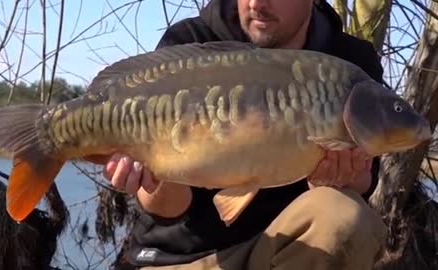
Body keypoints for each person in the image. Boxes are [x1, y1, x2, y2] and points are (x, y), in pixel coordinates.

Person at [102, 0, 387, 269]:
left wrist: (344, 180)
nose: (257, 4)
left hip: (290, 251)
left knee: (342, 215)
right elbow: (167, 209)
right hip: (184, 259)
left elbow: (364, 182)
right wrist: (152, 173)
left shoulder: (350, 65)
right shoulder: (190, 42)